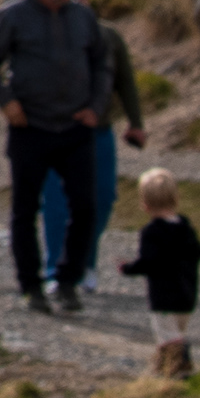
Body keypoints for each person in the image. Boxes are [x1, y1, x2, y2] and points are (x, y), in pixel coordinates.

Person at [0, 0, 115, 314]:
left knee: (84, 208)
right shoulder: (15, 16)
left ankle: (68, 282)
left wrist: (96, 108)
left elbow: (102, 63)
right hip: (30, 127)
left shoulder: (83, 18)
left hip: (74, 127)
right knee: (24, 211)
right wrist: (6, 102)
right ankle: (30, 286)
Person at [38, 17, 151, 272]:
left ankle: (83, 259)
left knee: (104, 195)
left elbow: (125, 80)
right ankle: (56, 266)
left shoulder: (108, 36)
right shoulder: (41, 34)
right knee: (56, 201)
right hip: (55, 130)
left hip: (97, 131)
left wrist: (136, 122)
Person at [119, 166, 200, 377]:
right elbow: (198, 251)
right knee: (175, 331)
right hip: (187, 293)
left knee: (168, 336)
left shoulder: (152, 232)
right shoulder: (185, 226)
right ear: (176, 198)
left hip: (164, 296)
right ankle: (163, 368)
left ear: (144, 205)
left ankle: (179, 366)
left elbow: (148, 261)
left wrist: (128, 268)